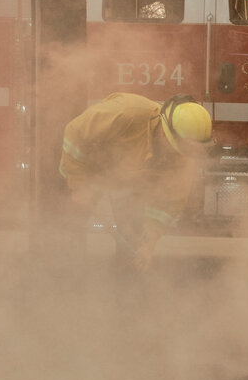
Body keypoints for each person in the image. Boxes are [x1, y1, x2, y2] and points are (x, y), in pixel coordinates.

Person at [60, 92, 213, 270]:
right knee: (68, 228)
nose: (182, 157)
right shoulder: (125, 113)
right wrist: (79, 184)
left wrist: (147, 245)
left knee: (132, 243)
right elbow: (74, 132)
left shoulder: (183, 161)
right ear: (164, 133)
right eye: (179, 149)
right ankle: (64, 281)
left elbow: (164, 209)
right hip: (87, 167)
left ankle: (126, 292)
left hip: (127, 181)